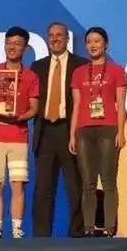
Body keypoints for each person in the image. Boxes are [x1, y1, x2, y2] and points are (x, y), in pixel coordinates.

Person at [0, 27, 40, 239]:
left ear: (25, 47)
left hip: (18, 138)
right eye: (9, 43)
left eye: (17, 43)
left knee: (17, 184)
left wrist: (20, 117)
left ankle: (16, 229)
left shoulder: (31, 76)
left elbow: (34, 108)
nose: (12, 47)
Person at [69, 26, 127, 237]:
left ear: (105, 45)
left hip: (108, 129)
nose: (93, 45)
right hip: (84, 131)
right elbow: (77, 105)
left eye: (97, 41)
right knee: (88, 183)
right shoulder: (78, 73)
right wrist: (72, 135)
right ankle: (88, 227)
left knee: (109, 182)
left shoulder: (117, 71)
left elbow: (121, 104)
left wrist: (121, 132)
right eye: (89, 42)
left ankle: (110, 227)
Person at [31, 22, 88, 237]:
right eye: (51, 35)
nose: (55, 39)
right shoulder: (37, 67)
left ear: (67, 39)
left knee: (75, 186)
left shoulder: (81, 65)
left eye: (59, 35)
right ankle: (41, 236)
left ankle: (77, 233)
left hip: (70, 130)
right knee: (43, 188)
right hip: (44, 130)